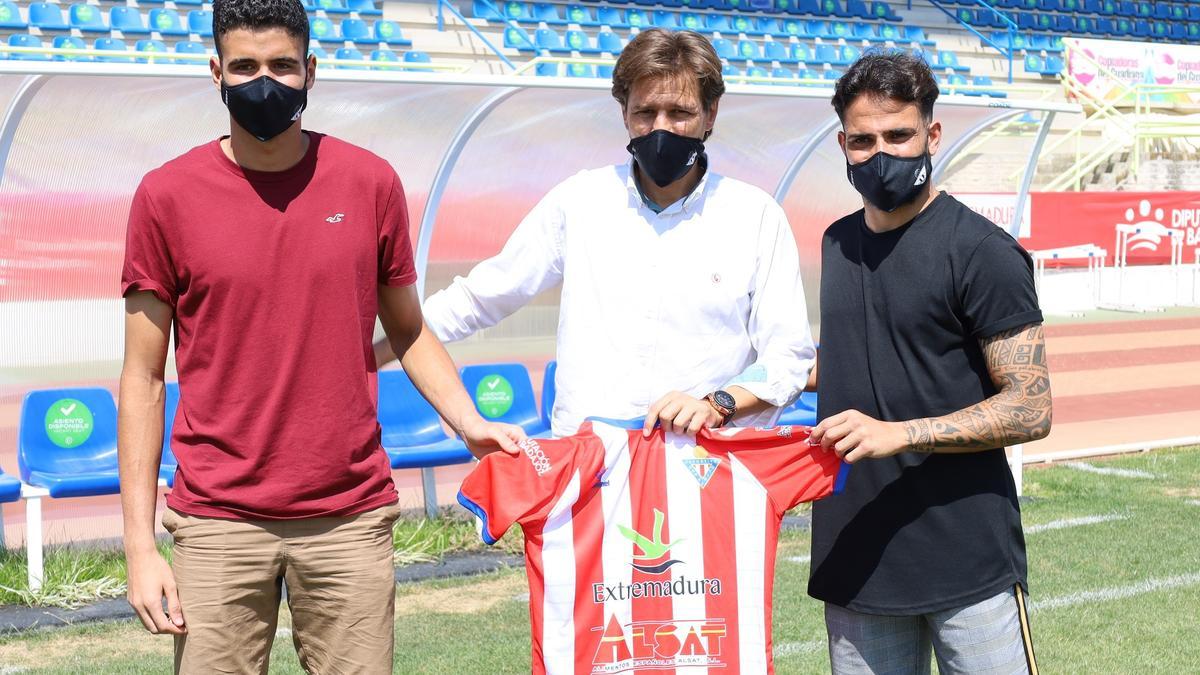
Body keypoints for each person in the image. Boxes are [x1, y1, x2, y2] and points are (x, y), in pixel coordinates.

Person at [117, 0, 523, 671]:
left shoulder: (370, 182)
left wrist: (468, 421)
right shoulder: (166, 196)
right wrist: (139, 544)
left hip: (349, 516)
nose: (264, 83)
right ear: (216, 73)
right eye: (244, 67)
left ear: (310, 70)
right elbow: (142, 376)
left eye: (281, 65)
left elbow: (409, 329)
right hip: (217, 521)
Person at [375, 28, 816, 439]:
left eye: (680, 113)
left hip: (704, 462)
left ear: (710, 113)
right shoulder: (580, 201)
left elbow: (788, 356)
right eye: (645, 112)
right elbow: (480, 298)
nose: (661, 128)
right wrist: (369, 352)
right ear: (624, 113)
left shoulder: (755, 216)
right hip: (593, 464)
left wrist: (717, 403)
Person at [807, 51, 1052, 674]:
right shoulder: (836, 243)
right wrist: (730, 392)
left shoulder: (981, 250)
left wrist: (903, 434)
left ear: (932, 135)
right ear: (842, 143)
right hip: (856, 555)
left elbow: (1031, 407)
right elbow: (850, 358)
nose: (880, 154)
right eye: (863, 141)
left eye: (898, 135)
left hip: (967, 559)